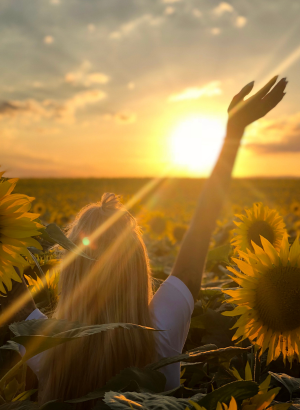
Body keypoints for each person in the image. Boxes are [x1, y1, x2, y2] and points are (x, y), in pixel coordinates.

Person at [0, 76, 287, 406]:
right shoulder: (160, 331)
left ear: (70, 270)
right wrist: (233, 133)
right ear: (138, 265)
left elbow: (7, 276)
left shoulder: (42, 341)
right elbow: (200, 233)